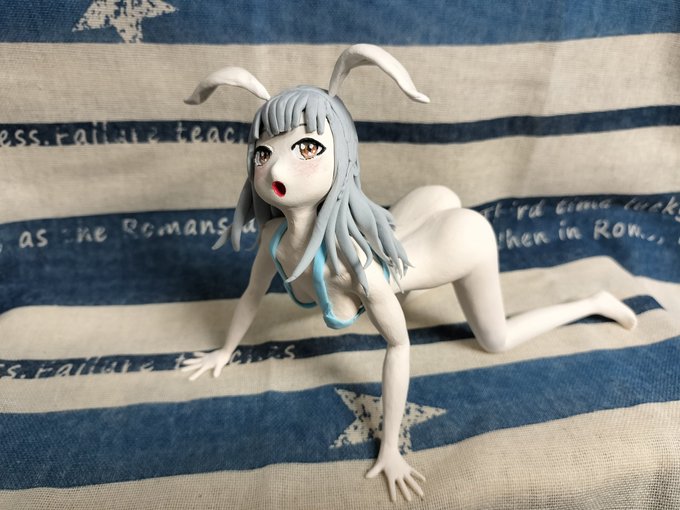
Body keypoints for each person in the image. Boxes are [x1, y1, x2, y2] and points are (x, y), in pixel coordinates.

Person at [181, 45, 637, 502]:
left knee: (495, 341)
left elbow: (399, 346)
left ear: (342, 157)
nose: (277, 166)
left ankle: (593, 302)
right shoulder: (274, 237)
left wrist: (391, 448)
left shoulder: (356, 269)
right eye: (264, 152)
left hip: (460, 239)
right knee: (400, 280)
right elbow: (252, 293)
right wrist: (224, 351)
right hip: (412, 220)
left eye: (308, 148)